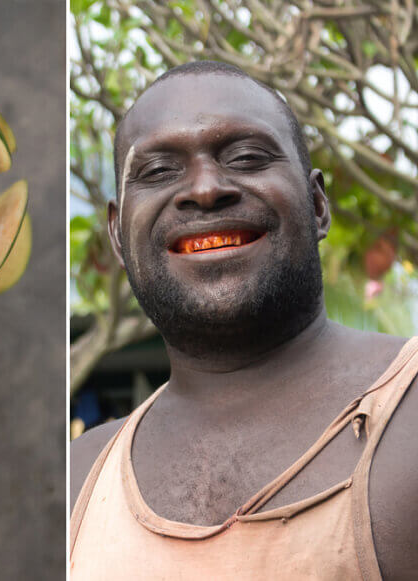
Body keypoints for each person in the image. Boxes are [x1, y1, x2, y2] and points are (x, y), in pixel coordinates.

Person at [70, 61, 418, 580]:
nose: (206, 188)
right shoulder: (78, 480)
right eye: (160, 171)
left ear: (318, 204)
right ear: (118, 236)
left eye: (248, 157)